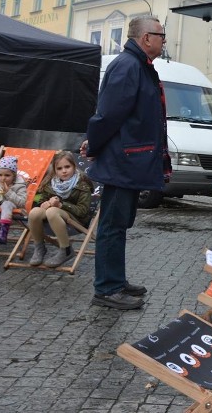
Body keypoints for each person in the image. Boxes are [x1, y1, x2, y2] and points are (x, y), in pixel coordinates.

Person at [81, 15, 171, 310]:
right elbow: (107, 115)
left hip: (130, 159)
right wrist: (93, 145)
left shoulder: (139, 66)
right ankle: (106, 288)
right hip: (123, 160)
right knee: (112, 225)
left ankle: (115, 281)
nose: (164, 39)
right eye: (161, 34)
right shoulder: (128, 66)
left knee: (119, 224)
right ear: (146, 38)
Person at [27, 150, 94, 268]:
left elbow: (83, 211)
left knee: (52, 211)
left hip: (75, 221)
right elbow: (42, 202)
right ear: (55, 170)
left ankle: (66, 250)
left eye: (67, 167)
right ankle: (39, 248)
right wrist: (46, 203)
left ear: (74, 166)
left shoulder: (83, 184)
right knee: (34, 212)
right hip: (53, 220)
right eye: (59, 168)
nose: (64, 171)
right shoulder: (51, 183)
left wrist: (61, 205)